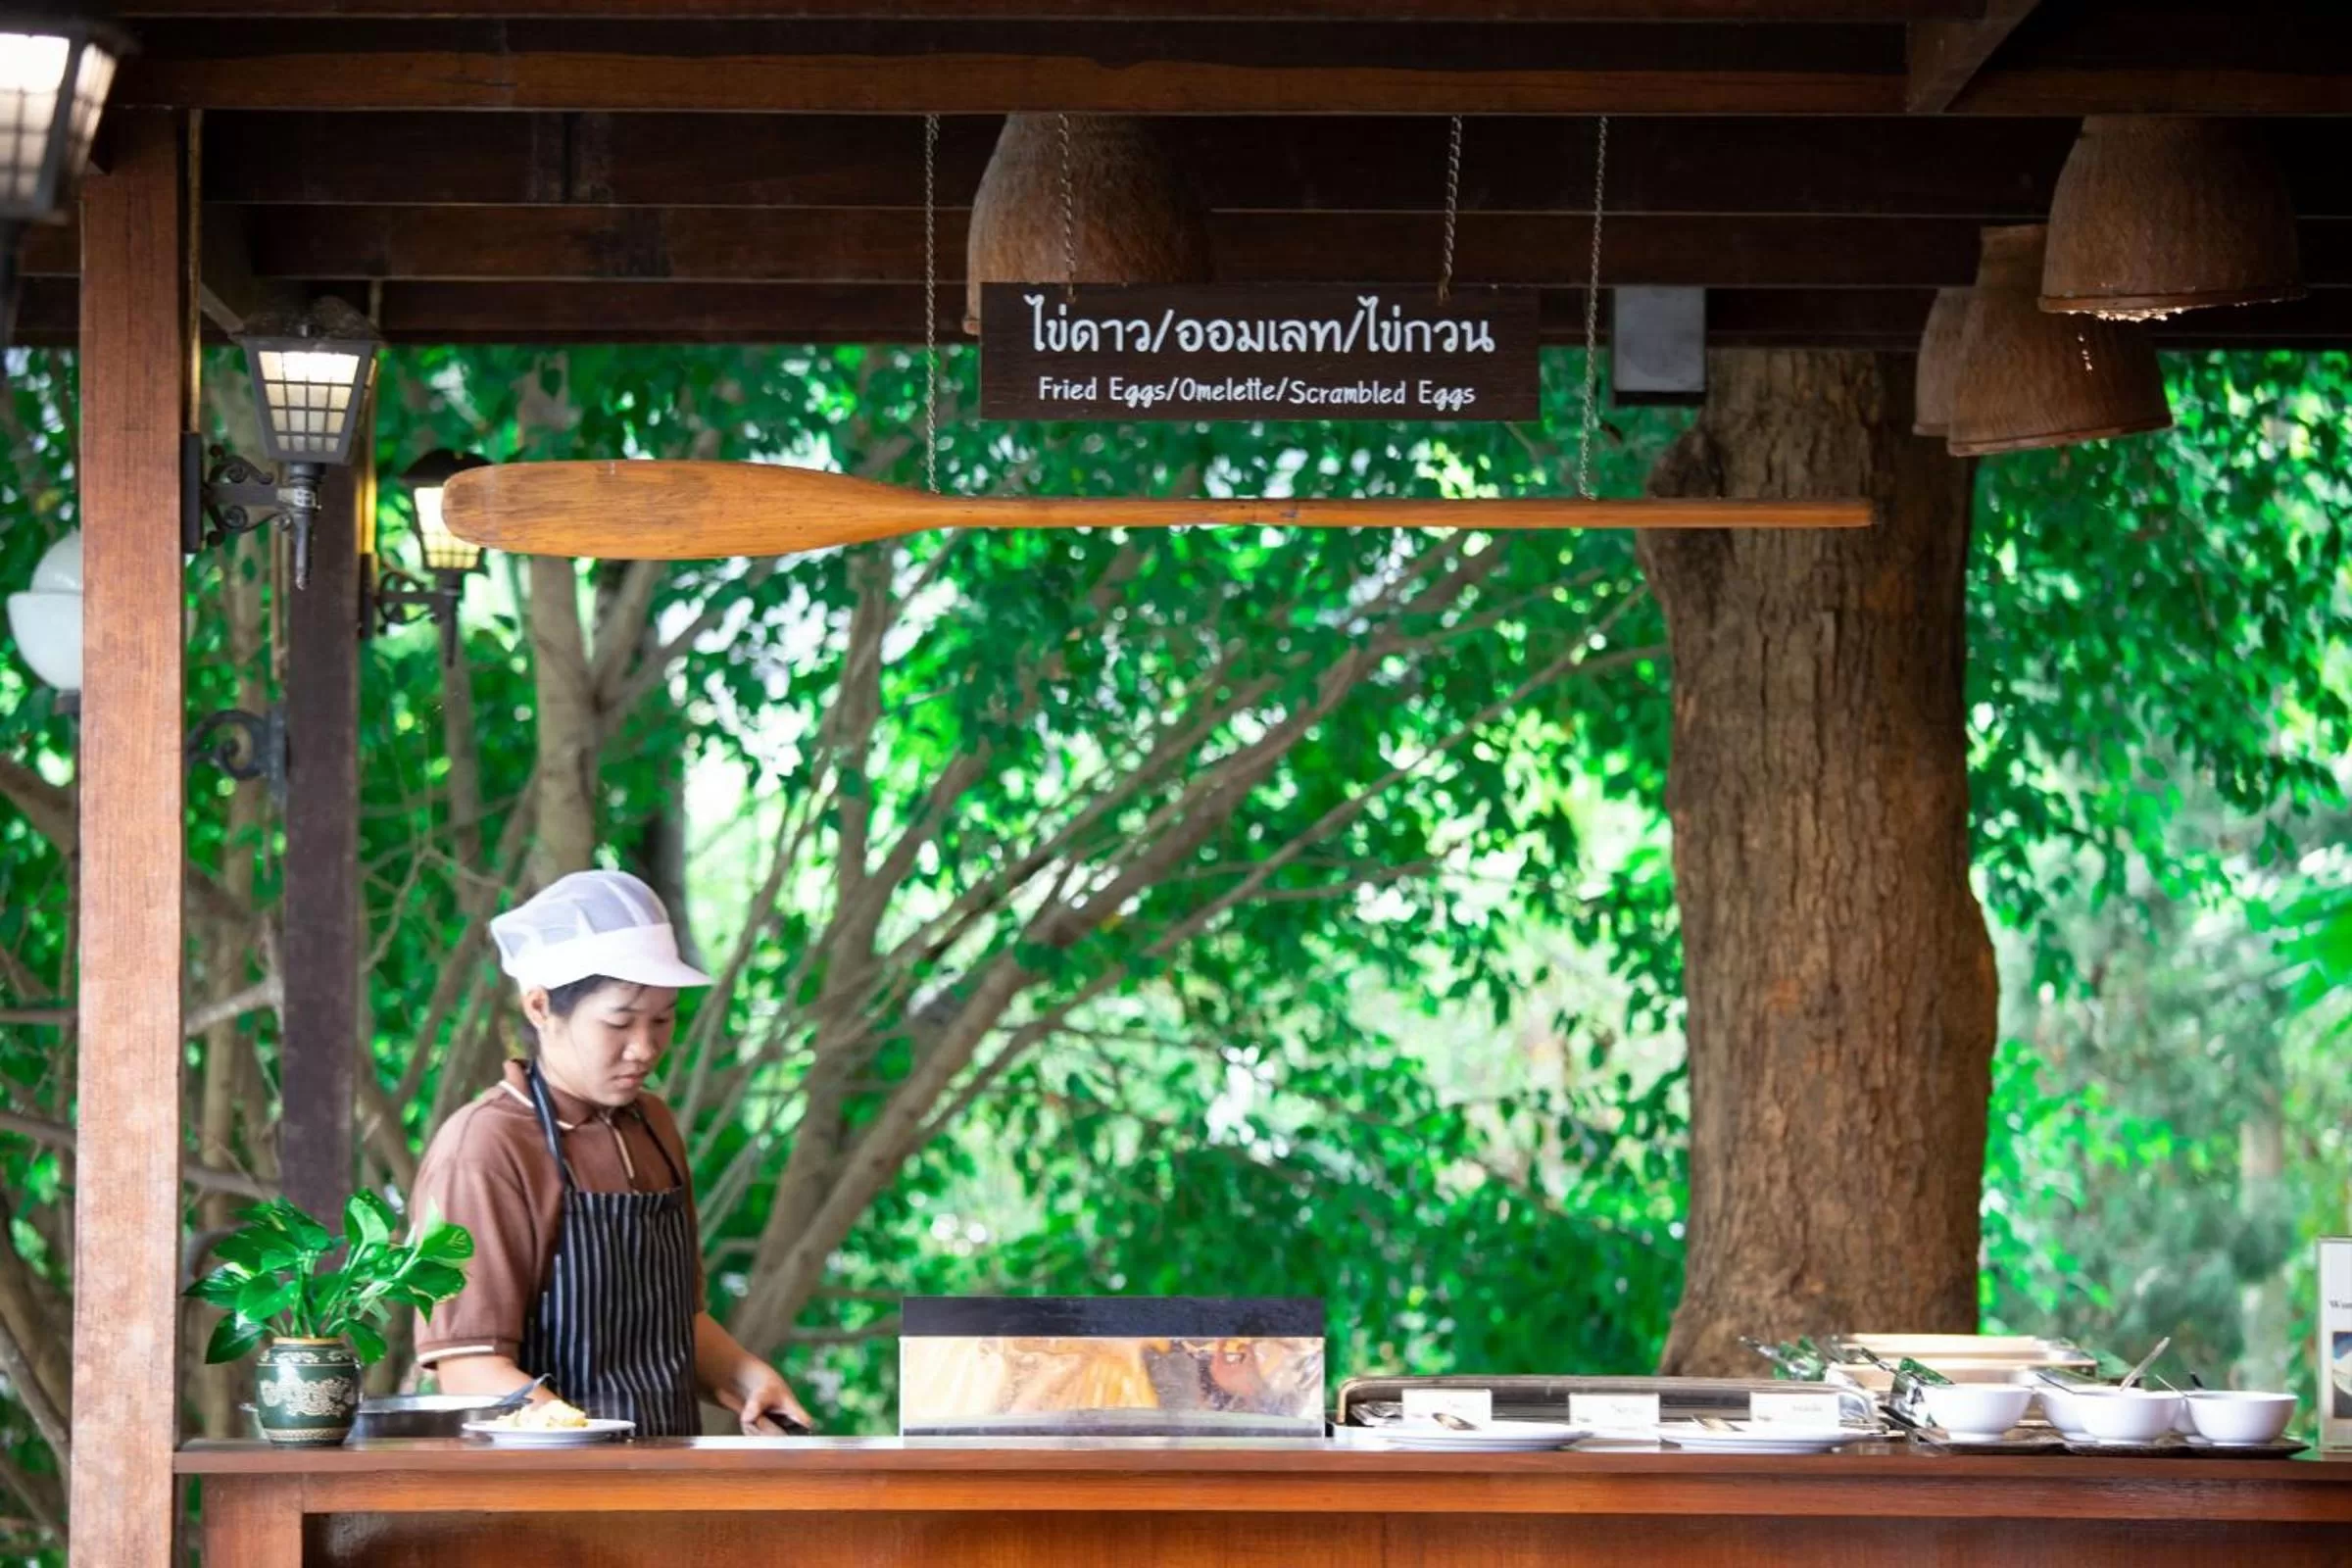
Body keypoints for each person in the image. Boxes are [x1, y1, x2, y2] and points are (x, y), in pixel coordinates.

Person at [410, 869, 812, 1436]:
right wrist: (579, 1435)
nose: (645, 1048)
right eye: (620, 1021)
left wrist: (746, 1378)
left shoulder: (654, 1126)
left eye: (663, 1019)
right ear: (540, 1007)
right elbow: (466, 1365)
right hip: (544, 1495)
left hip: (668, 1479)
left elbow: (675, 1326)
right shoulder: (485, 1146)